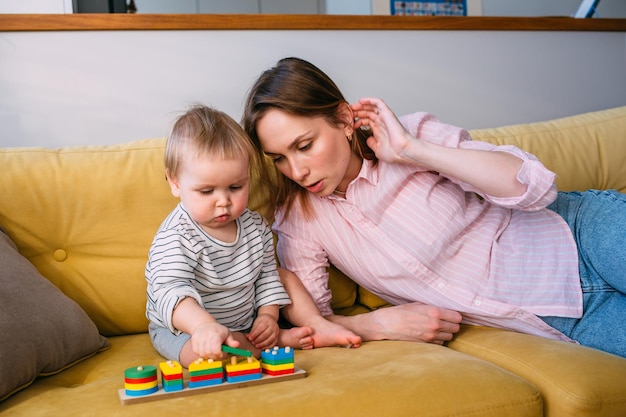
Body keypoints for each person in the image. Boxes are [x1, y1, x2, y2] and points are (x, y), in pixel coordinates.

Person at [241, 57, 626, 358]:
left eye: (304, 146)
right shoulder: (299, 219)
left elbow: (535, 188)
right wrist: (377, 324)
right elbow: (316, 322)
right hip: (561, 319)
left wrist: (412, 150)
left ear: (343, 119)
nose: (296, 170)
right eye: (278, 158)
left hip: (582, 234)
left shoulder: (411, 136)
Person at [145, 105, 361, 368]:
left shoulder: (254, 226)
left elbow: (266, 276)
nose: (223, 202)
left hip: (245, 320)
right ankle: (277, 341)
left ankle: (315, 324)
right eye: (206, 191)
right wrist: (203, 327)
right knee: (204, 356)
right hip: (186, 330)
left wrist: (268, 317)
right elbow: (172, 292)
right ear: (175, 183)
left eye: (235, 187)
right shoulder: (176, 236)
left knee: (285, 276)